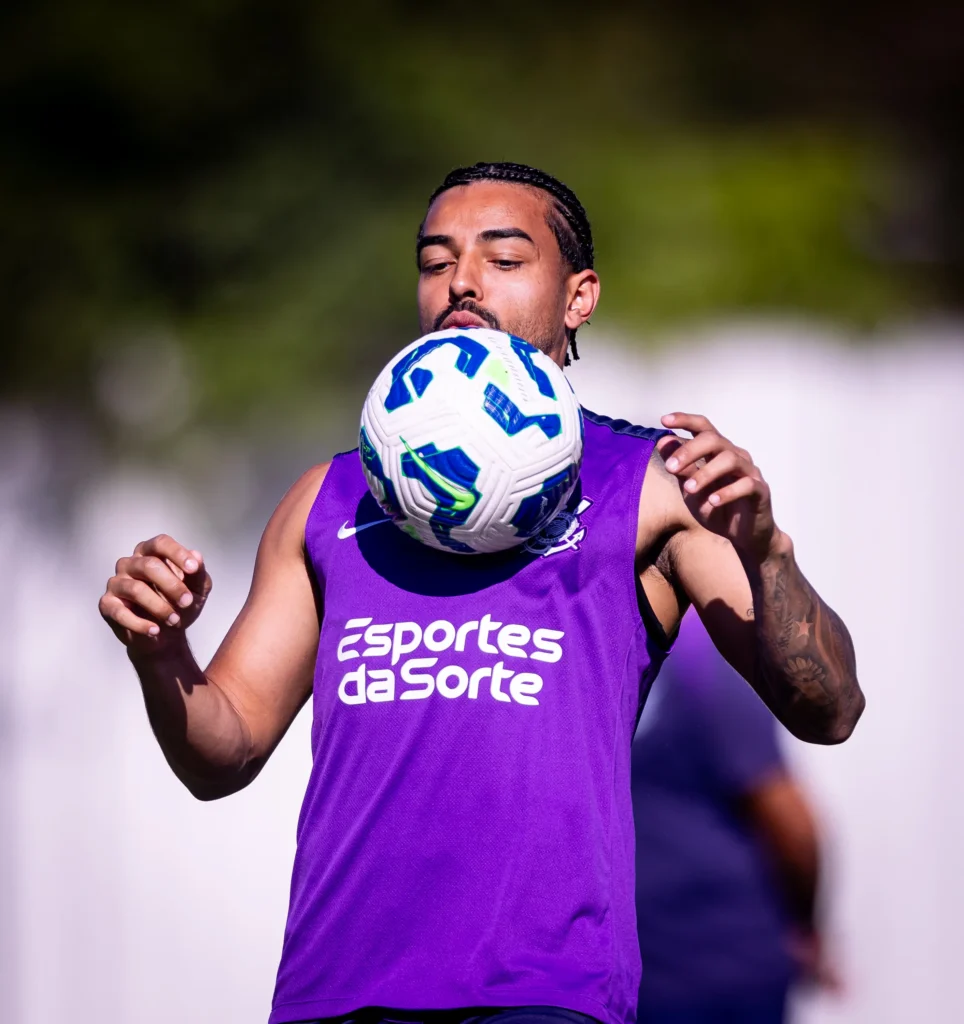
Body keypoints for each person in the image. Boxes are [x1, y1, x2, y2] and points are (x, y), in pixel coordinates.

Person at [97, 162, 864, 1024]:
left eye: (503, 259)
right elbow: (222, 751)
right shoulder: (326, 500)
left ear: (578, 297)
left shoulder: (652, 485)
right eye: (436, 261)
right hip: (333, 992)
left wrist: (767, 554)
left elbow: (830, 708)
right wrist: (160, 652)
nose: (462, 280)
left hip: (543, 995)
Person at [632, 611, 838, 1024]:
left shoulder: (703, 656)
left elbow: (786, 816)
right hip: (643, 968)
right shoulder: (614, 642)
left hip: (713, 965)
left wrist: (806, 925)